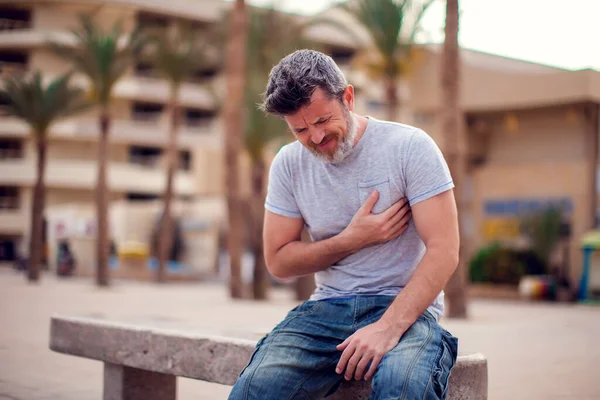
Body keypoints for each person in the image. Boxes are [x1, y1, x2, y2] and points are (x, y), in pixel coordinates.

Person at [229, 49, 460, 400]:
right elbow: (278, 261)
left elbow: (445, 250)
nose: (316, 138)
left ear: (348, 97)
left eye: (322, 121)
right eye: (301, 130)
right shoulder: (288, 164)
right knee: (255, 389)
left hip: (405, 309)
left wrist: (386, 328)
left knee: (404, 386)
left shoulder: (410, 147)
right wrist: (351, 240)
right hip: (326, 309)